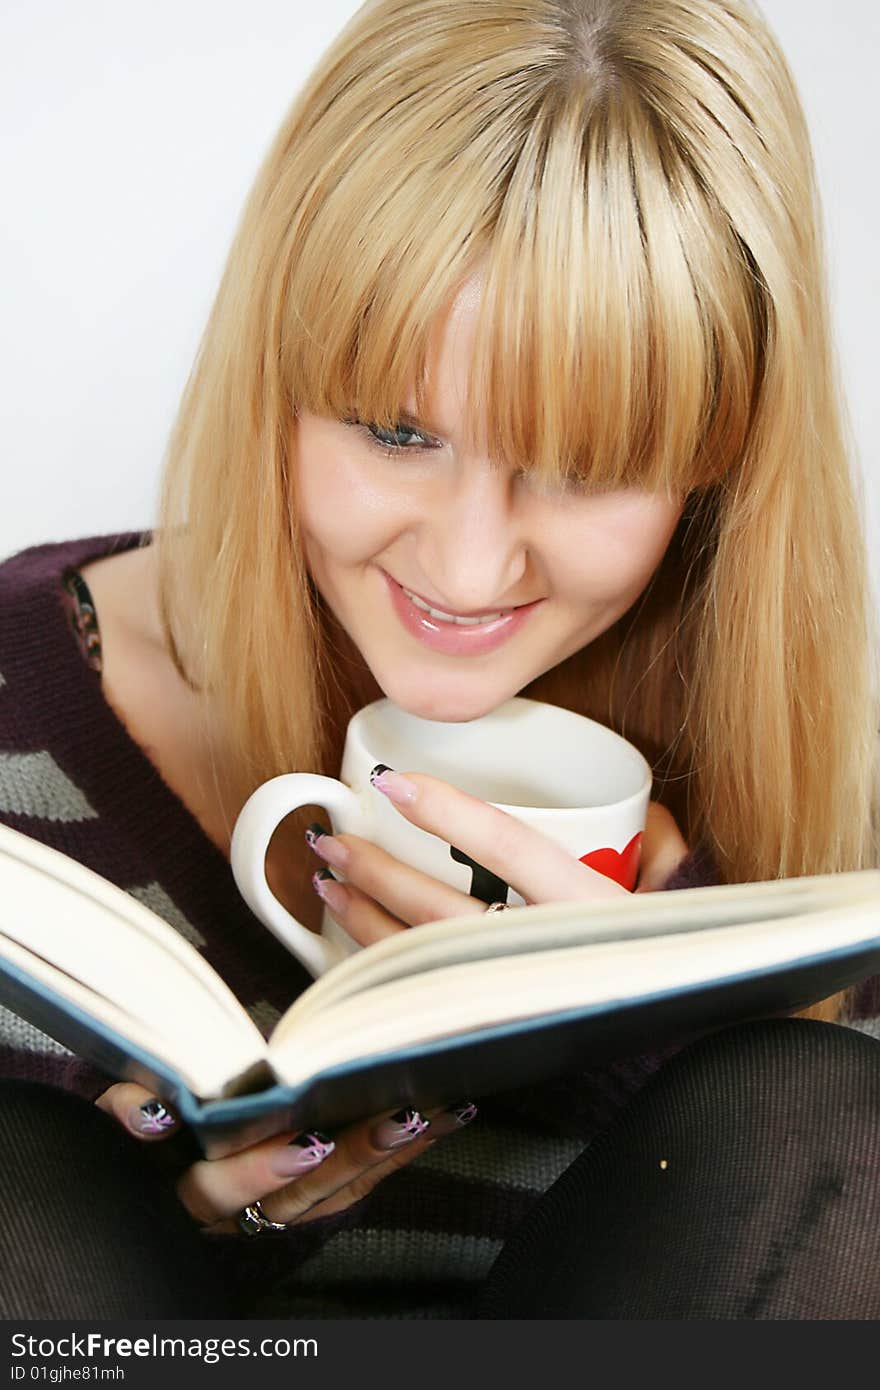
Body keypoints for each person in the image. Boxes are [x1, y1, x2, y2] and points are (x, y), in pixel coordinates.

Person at [1, 0, 879, 1320]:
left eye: (589, 468)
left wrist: (642, 1044)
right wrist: (167, 1212)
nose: (470, 573)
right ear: (279, 383)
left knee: (807, 1115)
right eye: (397, 431)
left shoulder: (820, 810)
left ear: (718, 467)